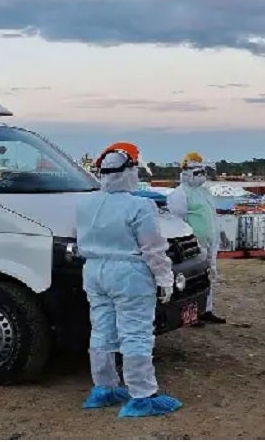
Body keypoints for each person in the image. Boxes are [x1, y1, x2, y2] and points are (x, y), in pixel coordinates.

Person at [76, 142, 182, 418]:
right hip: (129, 274)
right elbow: (153, 248)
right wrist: (164, 278)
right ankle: (142, 395)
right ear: (128, 171)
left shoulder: (86, 203)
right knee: (135, 335)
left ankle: (104, 387)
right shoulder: (140, 205)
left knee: (101, 331)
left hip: (94, 271)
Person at [167, 151, 226, 325]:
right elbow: (177, 221)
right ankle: (190, 313)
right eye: (196, 170)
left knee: (209, 275)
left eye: (202, 170)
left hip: (210, 241)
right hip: (194, 244)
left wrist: (219, 234)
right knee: (193, 279)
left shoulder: (205, 192)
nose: (200, 174)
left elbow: (210, 215)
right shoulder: (179, 194)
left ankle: (206, 309)